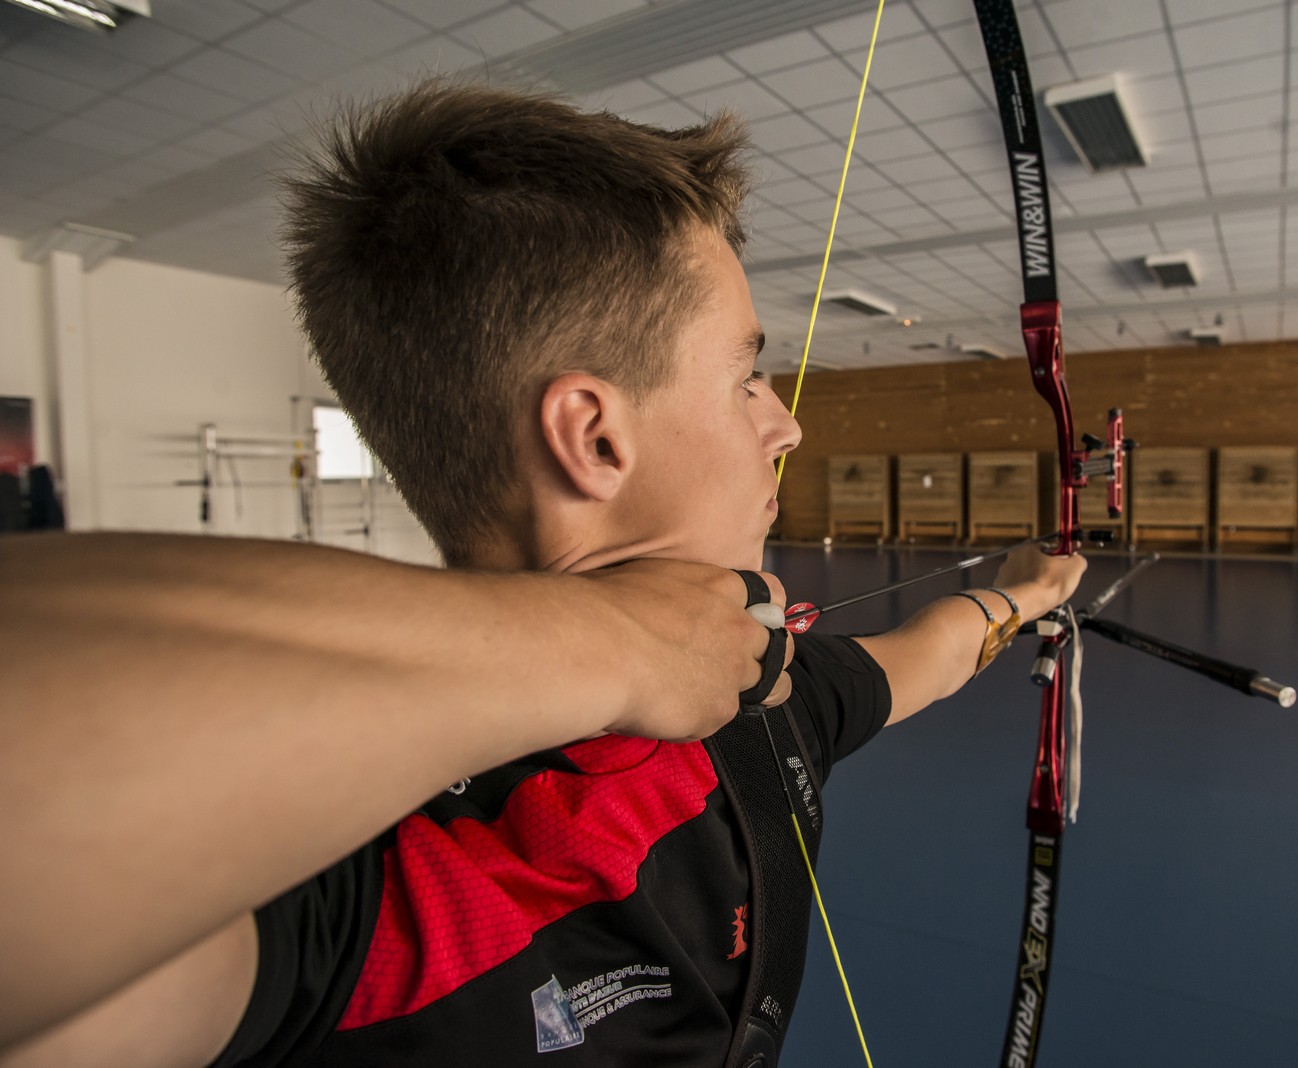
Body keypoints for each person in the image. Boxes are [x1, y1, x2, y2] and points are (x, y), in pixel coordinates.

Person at [0, 82, 1084, 1067]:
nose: (785, 424)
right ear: (595, 438)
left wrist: (1024, 593)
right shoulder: (378, 881)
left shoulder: (757, 697)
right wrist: (619, 645)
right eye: (745, 378)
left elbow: (924, 656)